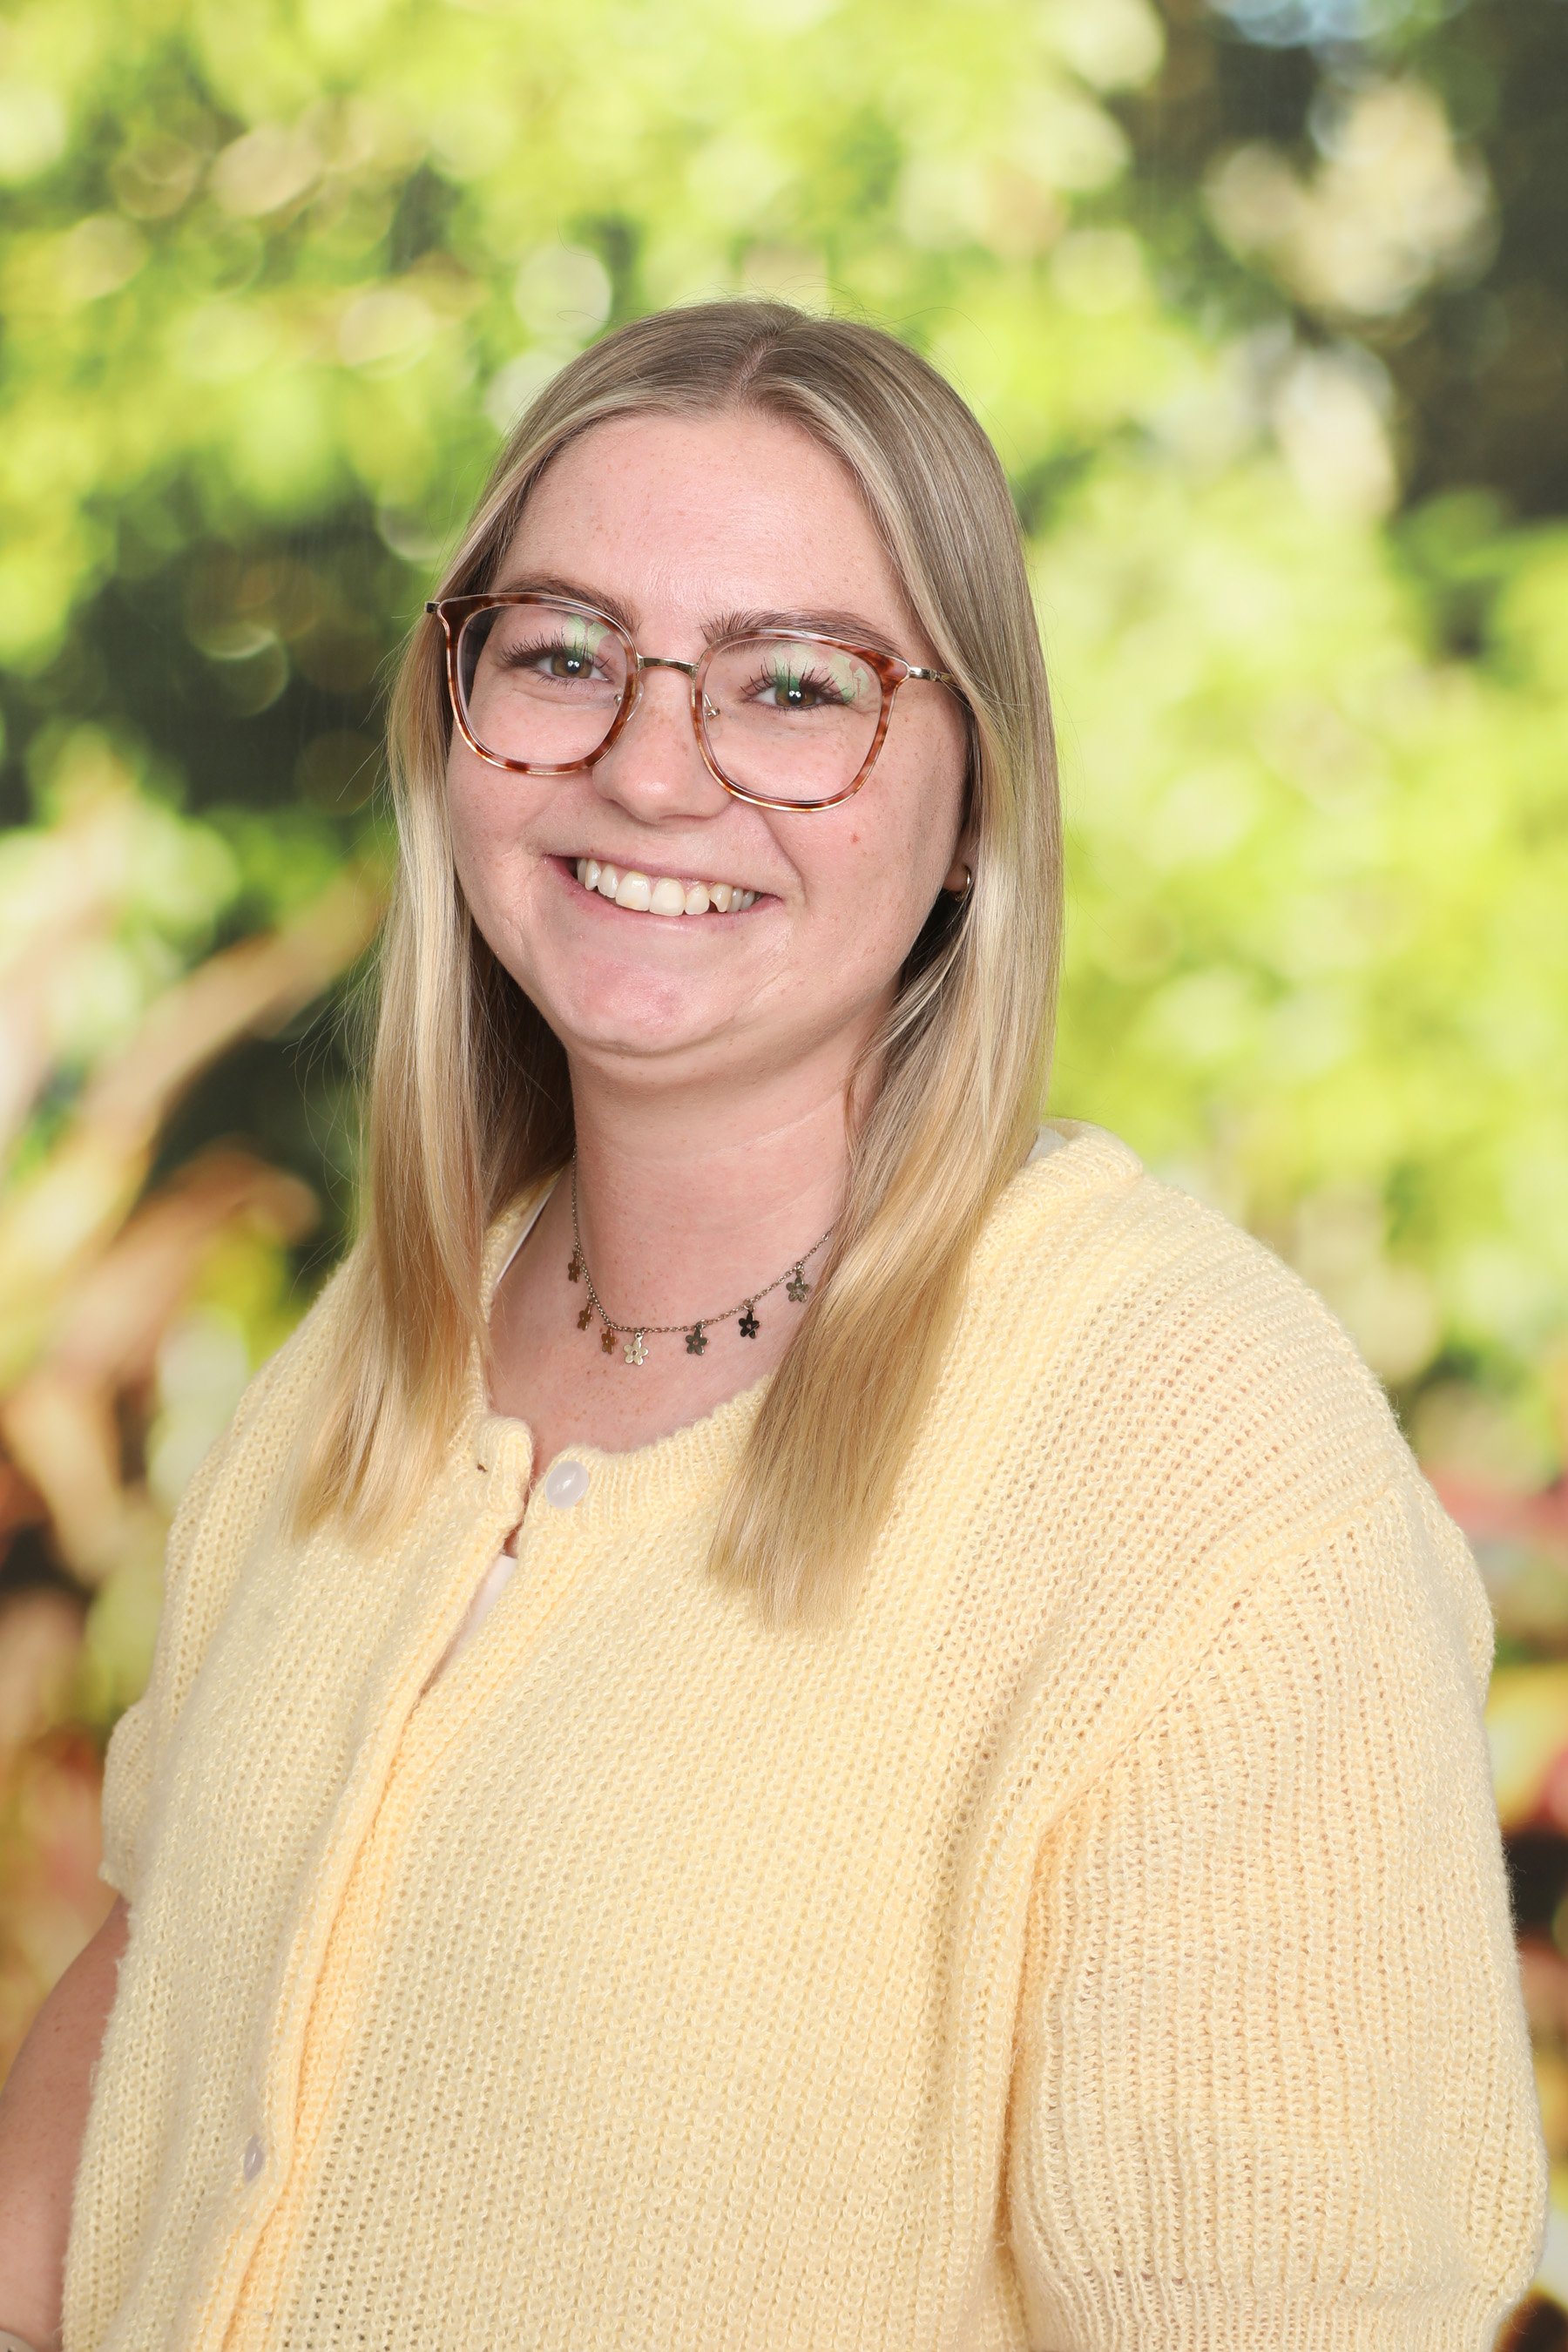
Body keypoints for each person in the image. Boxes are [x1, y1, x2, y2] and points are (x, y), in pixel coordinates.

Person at [0, 297, 1547, 2351]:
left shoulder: (1200, 1457)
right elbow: (148, 2024)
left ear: (974, 801)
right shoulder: (375, 1350)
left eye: (796, 685)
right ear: (453, 720)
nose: (651, 768)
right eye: (563, 654)